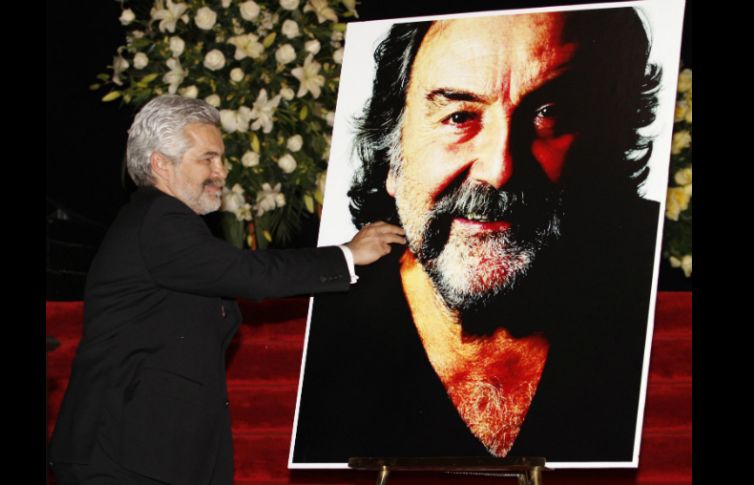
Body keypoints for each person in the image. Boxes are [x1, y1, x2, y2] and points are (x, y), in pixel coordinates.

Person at [292, 7, 663, 464]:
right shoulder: (320, 331)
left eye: (549, 113)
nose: (500, 169)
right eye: (458, 117)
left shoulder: (653, 295)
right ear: (391, 152)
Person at [48, 94, 405, 485]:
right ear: (160, 164)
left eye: (221, 158)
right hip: (122, 452)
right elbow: (250, 274)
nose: (221, 171)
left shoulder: (157, 223)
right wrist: (347, 255)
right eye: (207, 159)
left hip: (147, 451)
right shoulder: (159, 218)